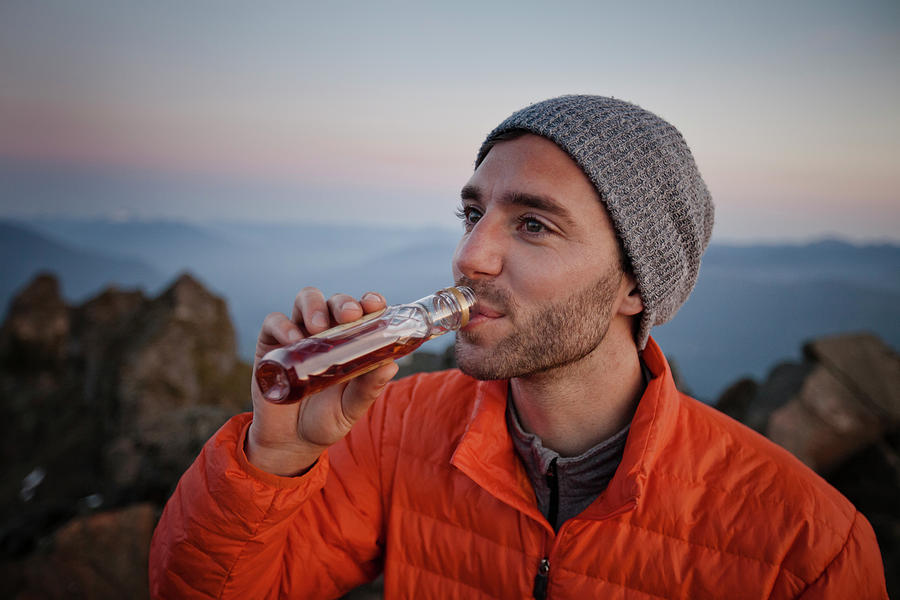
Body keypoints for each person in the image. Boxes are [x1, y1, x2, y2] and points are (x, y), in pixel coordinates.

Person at [149, 95, 888, 599]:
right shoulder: (393, 429)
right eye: (472, 213)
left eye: (532, 224)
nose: (471, 255)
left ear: (636, 284)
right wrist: (276, 459)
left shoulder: (810, 547)